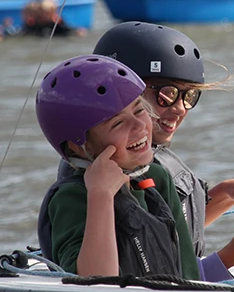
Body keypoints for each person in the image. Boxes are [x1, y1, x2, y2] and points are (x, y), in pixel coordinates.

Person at [86, 22, 234, 277]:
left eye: (188, 96)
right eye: (166, 94)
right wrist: (233, 254)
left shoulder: (145, 160)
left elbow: (171, 229)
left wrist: (224, 195)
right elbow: (153, 277)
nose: (179, 108)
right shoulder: (114, 173)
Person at [35, 54, 199, 279]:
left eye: (140, 110)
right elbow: (97, 285)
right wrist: (101, 195)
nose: (140, 126)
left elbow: (189, 274)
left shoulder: (157, 178)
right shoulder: (72, 197)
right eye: (118, 123)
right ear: (80, 145)